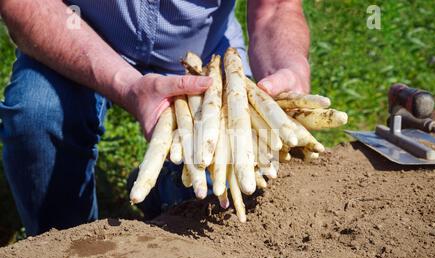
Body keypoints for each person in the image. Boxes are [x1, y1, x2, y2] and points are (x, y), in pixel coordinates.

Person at [0, 0, 311, 236]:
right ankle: (65, 250)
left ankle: (161, 187)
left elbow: (275, 7)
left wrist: (288, 66)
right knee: (37, 116)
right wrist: (128, 86)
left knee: (215, 185)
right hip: (77, 38)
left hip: (203, 62)